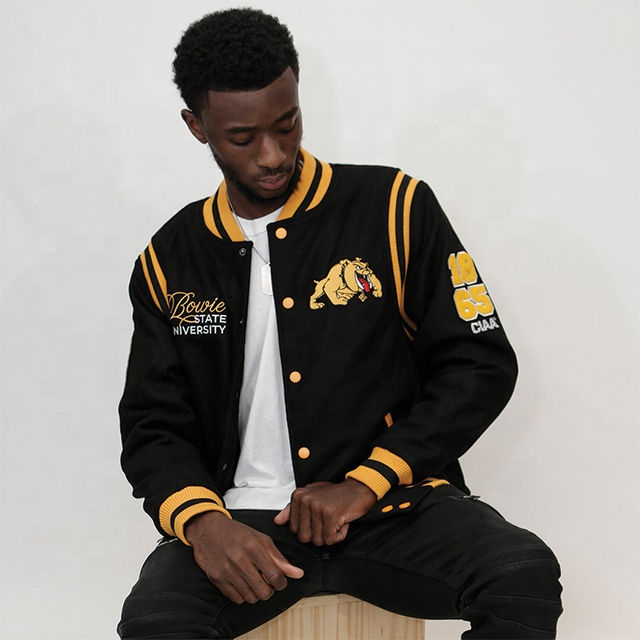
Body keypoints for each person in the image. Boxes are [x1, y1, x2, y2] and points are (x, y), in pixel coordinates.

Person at [117, 8, 563, 639]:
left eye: (287, 124)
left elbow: (478, 364)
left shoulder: (394, 207)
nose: (273, 155)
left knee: (521, 575)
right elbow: (153, 423)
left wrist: (365, 482)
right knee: (155, 623)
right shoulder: (170, 258)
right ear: (197, 126)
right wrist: (203, 523)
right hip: (242, 522)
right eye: (243, 138)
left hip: (391, 506)